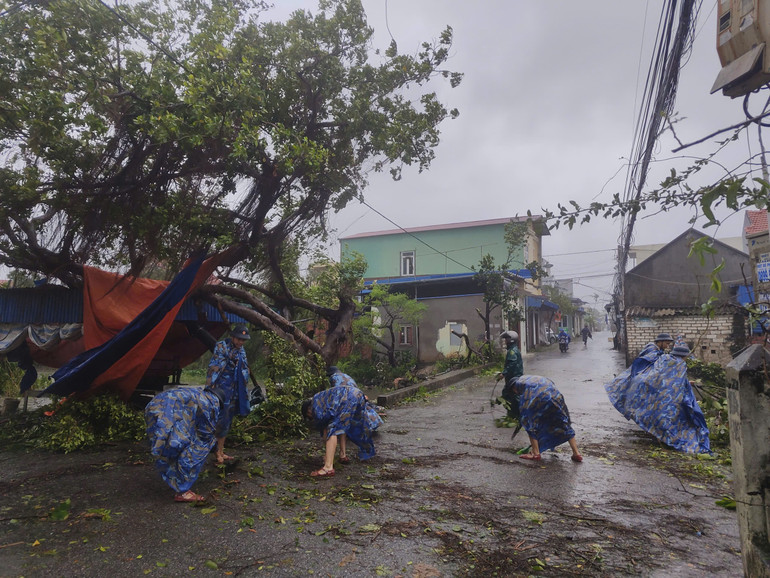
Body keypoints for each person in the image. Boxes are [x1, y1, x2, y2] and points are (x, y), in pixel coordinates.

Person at [604, 343, 710, 454]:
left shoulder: (665, 358)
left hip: (656, 393)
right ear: (683, 356)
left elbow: (669, 378)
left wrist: (687, 382)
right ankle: (666, 439)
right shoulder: (679, 364)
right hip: (668, 397)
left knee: (657, 416)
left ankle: (658, 435)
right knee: (674, 418)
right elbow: (675, 381)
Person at [145, 386, 223, 502]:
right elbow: (206, 434)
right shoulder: (212, 403)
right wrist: (216, 451)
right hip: (171, 410)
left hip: (154, 405)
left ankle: (171, 475)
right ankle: (183, 491)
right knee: (197, 447)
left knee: (163, 444)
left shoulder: (197, 393)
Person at [301, 379, 377, 478]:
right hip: (357, 395)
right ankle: (343, 455)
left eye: (309, 417)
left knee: (332, 429)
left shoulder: (316, 405)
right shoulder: (321, 398)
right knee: (342, 426)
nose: (311, 418)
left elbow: (325, 429)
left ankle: (328, 468)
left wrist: (327, 454)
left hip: (348, 397)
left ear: (308, 411)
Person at [205, 324, 251, 464]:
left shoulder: (241, 351)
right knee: (214, 419)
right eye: (238, 339)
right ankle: (209, 451)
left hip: (233, 391)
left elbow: (244, 369)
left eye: (243, 340)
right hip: (219, 390)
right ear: (232, 336)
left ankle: (220, 451)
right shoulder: (221, 346)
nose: (241, 342)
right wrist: (232, 359)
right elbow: (216, 365)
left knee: (227, 421)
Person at [511, 375, 583, 462]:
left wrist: (523, 417)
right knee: (563, 423)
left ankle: (535, 453)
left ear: (514, 387)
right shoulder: (529, 378)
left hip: (539, 397)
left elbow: (527, 411)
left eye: (514, 391)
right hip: (556, 396)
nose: (516, 393)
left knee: (528, 422)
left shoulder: (522, 387)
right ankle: (576, 453)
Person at [496, 331, 523, 417]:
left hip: (514, 378)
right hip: (513, 378)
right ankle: (512, 415)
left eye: (506, 339)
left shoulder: (512, 351)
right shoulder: (513, 350)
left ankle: (518, 415)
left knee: (512, 397)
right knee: (508, 395)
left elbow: (512, 364)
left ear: (511, 340)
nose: (505, 341)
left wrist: (503, 374)